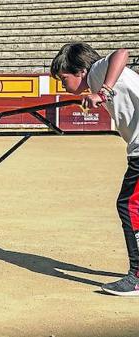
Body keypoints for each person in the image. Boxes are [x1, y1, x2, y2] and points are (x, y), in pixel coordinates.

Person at [51, 42, 139, 296]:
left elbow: (122, 53)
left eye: (63, 78)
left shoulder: (97, 71)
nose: (63, 87)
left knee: (129, 205)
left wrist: (104, 92)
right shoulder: (100, 77)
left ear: (79, 71)